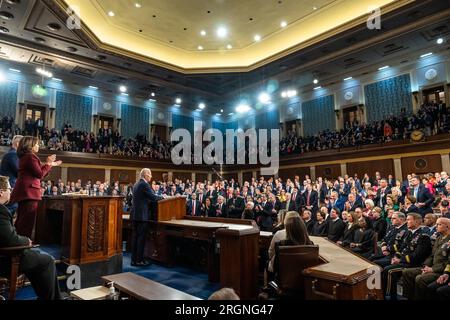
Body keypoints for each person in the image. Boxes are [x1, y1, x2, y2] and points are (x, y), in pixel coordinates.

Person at [0, 176, 61, 300]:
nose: (10, 191)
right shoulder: (1, 211)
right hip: (5, 260)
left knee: (36, 256)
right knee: (47, 260)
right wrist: (26, 241)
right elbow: (11, 240)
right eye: (9, 189)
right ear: (1, 192)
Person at [10, 136, 62, 238]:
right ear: (31, 145)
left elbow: (37, 172)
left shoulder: (26, 157)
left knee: (22, 221)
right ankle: (23, 248)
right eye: (37, 144)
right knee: (26, 223)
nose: (38, 146)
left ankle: (18, 245)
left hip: (26, 192)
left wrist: (50, 164)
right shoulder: (30, 157)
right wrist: (48, 163)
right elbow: (39, 174)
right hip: (29, 193)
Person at [401, 218, 450, 300]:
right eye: (436, 224)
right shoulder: (439, 238)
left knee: (420, 278)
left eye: (439, 224)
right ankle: (409, 297)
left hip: (440, 270)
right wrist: (425, 266)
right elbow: (432, 255)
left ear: (447, 226)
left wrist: (433, 269)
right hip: (431, 267)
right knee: (407, 272)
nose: (436, 227)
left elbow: (448, 261)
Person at [130, 168, 164, 266]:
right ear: (145, 175)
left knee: (135, 238)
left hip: (135, 215)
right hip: (142, 216)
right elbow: (153, 197)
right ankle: (139, 260)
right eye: (150, 174)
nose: (151, 176)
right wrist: (163, 197)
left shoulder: (136, 184)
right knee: (141, 238)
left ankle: (134, 260)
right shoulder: (144, 184)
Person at [0, 135, 22, 217]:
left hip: (10, 190)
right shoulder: (13, 155)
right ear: (18, 144)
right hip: (10, 190)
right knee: (7, 215)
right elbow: (20, 172)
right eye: (24, 144)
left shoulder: (11, 154)